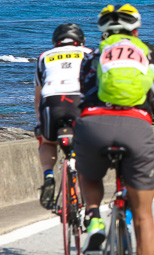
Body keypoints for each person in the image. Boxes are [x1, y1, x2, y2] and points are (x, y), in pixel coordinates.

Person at [75, 4, 154, 255]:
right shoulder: (150, 57)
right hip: (135, 127)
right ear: (136, 32)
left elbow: (82, 102)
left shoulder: (90, 57)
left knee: (88, 174)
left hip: (93, 125)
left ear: (103, 32)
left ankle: (94, 217)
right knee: (144, 218)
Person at [34, 23, 92, 209]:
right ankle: (84, 198)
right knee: (84, 146)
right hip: (79, 101)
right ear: (80, 41)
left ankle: (48, 175)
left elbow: (38, 97)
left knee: (48, 142)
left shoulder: (44, 57)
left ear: (56, 42)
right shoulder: (89, 53)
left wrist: (40, 123)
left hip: (52, 102)